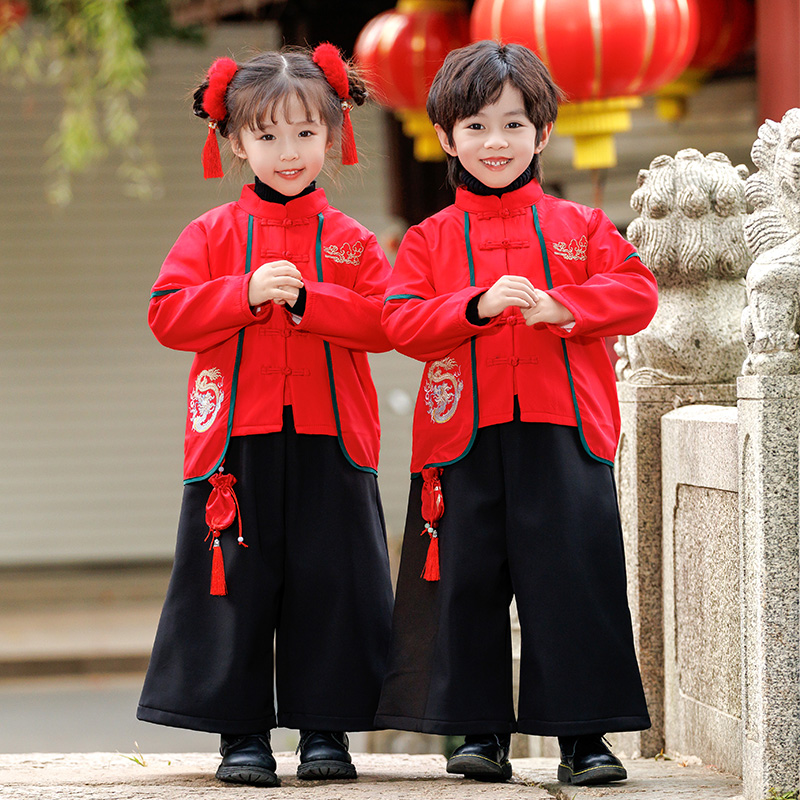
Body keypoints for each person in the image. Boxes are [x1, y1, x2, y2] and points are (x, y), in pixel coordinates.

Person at [375, 40, 657, 787]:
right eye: (474, 127)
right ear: (444, 138)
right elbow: (399, 321)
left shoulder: (582, 225)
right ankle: (476, 735)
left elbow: (639, 293)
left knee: (573, 580)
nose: (494, 143)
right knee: (465, 581)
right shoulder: (429, 239)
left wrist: (565, 304)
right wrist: (473, 304)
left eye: (511, 124)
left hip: (564, 432)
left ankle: (584, 739)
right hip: (460, 439)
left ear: (543, 131)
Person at [137, 44, 394, 788]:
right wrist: (242, 293)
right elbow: (167, 316)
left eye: (306, 133)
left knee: (334, 583)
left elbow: (389, 323)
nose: (289, 152)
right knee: (234, 585)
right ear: (236, 140)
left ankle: (326, 733)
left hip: (332, 440)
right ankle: (240, 736)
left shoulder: (350, 242)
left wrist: (313, 301)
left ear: (333, 135)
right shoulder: (211, 234)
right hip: (233, 443)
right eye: (269, 135)